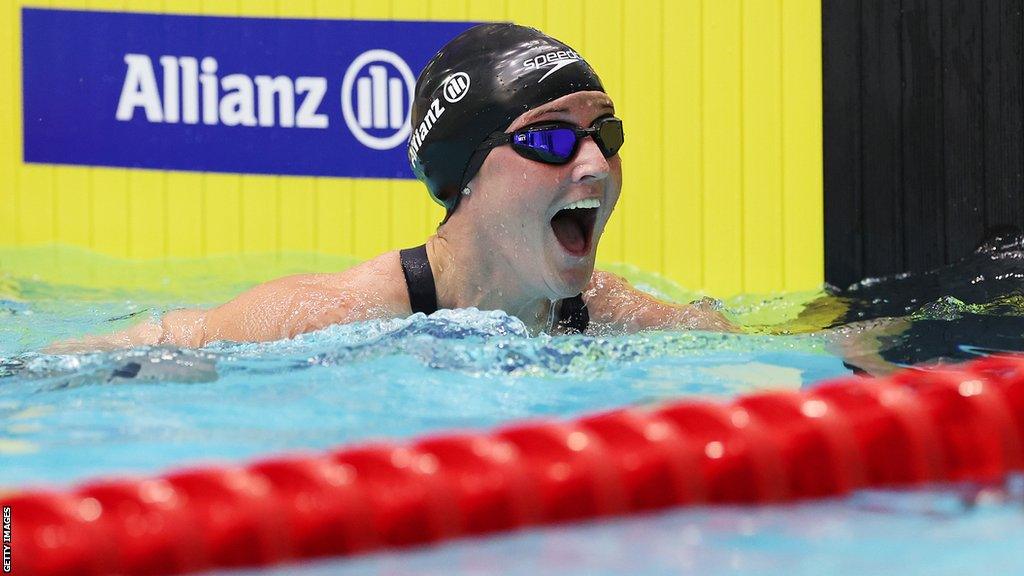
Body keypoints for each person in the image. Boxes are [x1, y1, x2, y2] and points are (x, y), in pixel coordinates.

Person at [49, 23, 739, 353]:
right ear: (466, 175)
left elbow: (752, 343)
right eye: (552, 138)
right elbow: (163, 344)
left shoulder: (601, 310)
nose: (592, 164)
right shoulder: (335, 315)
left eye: (604, 135)